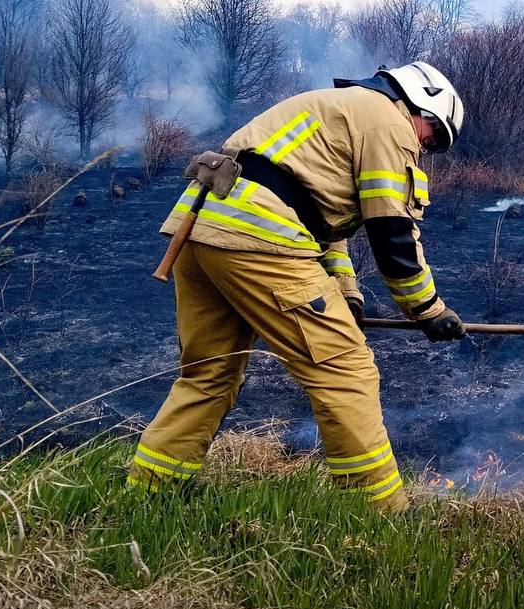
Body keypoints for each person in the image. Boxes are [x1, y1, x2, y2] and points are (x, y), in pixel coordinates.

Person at [128, 61, 467, 514]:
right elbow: (392, 232)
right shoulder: (387, 120)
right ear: (421, 102)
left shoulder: (340, 110)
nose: (426, 147)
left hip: (203, 233)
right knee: (346, 371)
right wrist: (427, 309)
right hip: (261, 241)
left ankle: (149, 492)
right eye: (433, 135)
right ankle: (378, 515)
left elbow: (318, 215)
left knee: (210, 371)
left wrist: (347, 291)